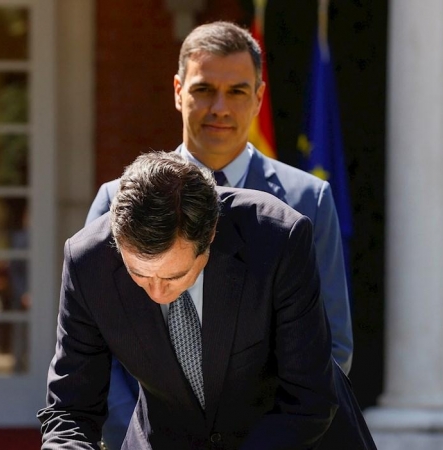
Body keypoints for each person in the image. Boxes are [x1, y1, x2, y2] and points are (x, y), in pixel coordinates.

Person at [85, 21, 354, 448]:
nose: (219, 108)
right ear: (178, 90)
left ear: (259, 97)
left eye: (237, 91)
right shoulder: (116, 201)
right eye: (203, 89)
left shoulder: (308, 201)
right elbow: (93, 345)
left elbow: (332, 346)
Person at [39, 152, 374, 449]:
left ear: (211, 234)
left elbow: (308, 399)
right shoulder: (88, 261)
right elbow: (70, 408)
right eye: (139, 275)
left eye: (173, 276)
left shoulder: (278, 239)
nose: (156, 292)